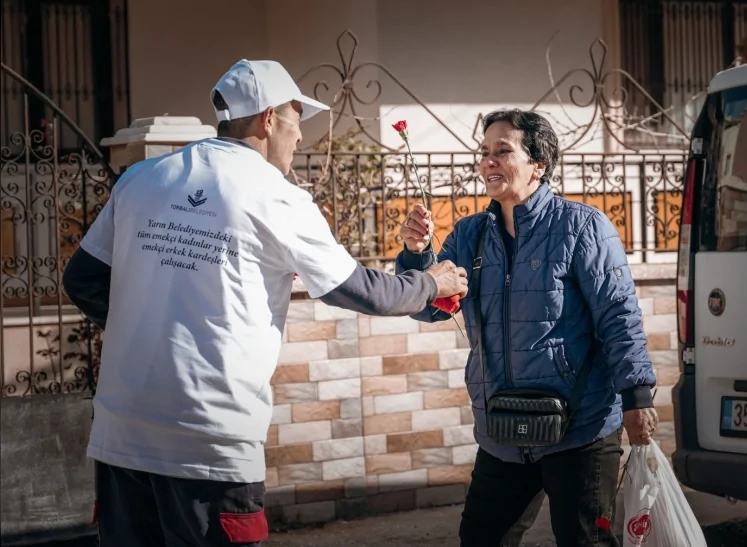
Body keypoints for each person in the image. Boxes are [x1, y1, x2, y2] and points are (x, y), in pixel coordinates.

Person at [61, 58, 468, 547]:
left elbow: (83, 279)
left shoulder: (143, 179)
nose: (301, 138)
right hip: (209, 442)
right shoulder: (277, 196)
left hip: (121, 436)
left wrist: (148, 325)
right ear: (268, 118)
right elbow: (358, 289)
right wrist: (431, 282)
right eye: (297, 121)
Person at [397, 108, 658, 547]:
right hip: (504, 429)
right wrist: (416, 256)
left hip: (581, 428)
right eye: (484, 152)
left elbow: (618, 316)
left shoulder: (582, 227)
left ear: (539, 164)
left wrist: (637, 396)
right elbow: (433, 309)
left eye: (503, 151)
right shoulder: (470, 235)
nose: (489, 162)